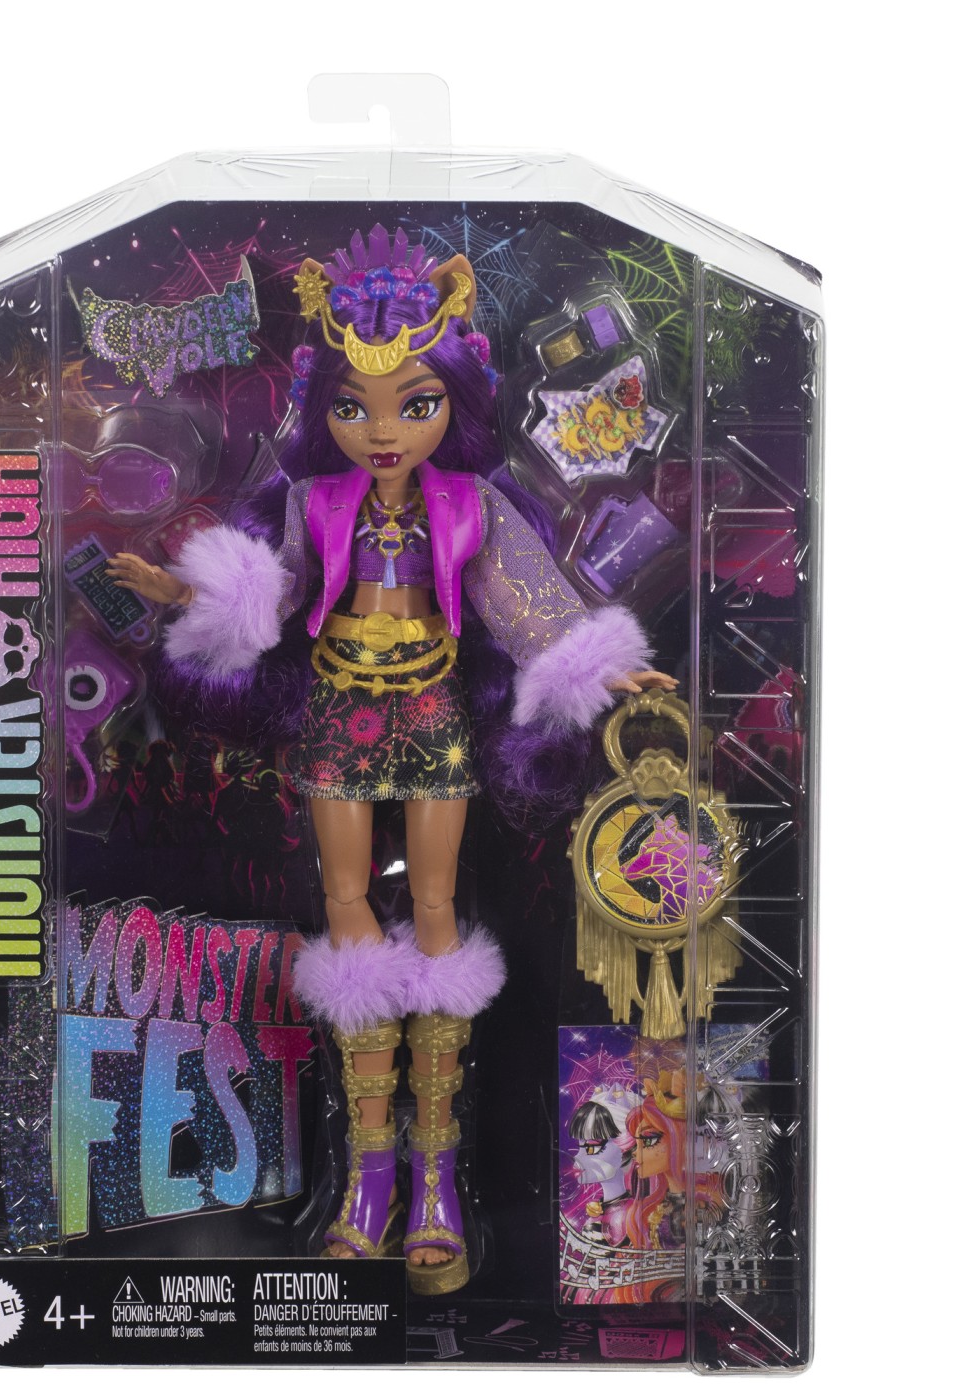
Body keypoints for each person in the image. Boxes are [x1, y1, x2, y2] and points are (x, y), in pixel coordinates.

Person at [108, 226, 674, 1293]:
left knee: (439, 914)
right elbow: (268, 595)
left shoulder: (469, 505)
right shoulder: (312, 503)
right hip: (336, 712)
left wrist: (603, 670)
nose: (380, 430)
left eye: (413, 405)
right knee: (346, 911)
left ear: (453, 404)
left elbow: (528, 608)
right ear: (320, 409)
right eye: (353, 407)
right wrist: (181, 590)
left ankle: (438, 1181)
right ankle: (369, 1179)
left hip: (432, 713)